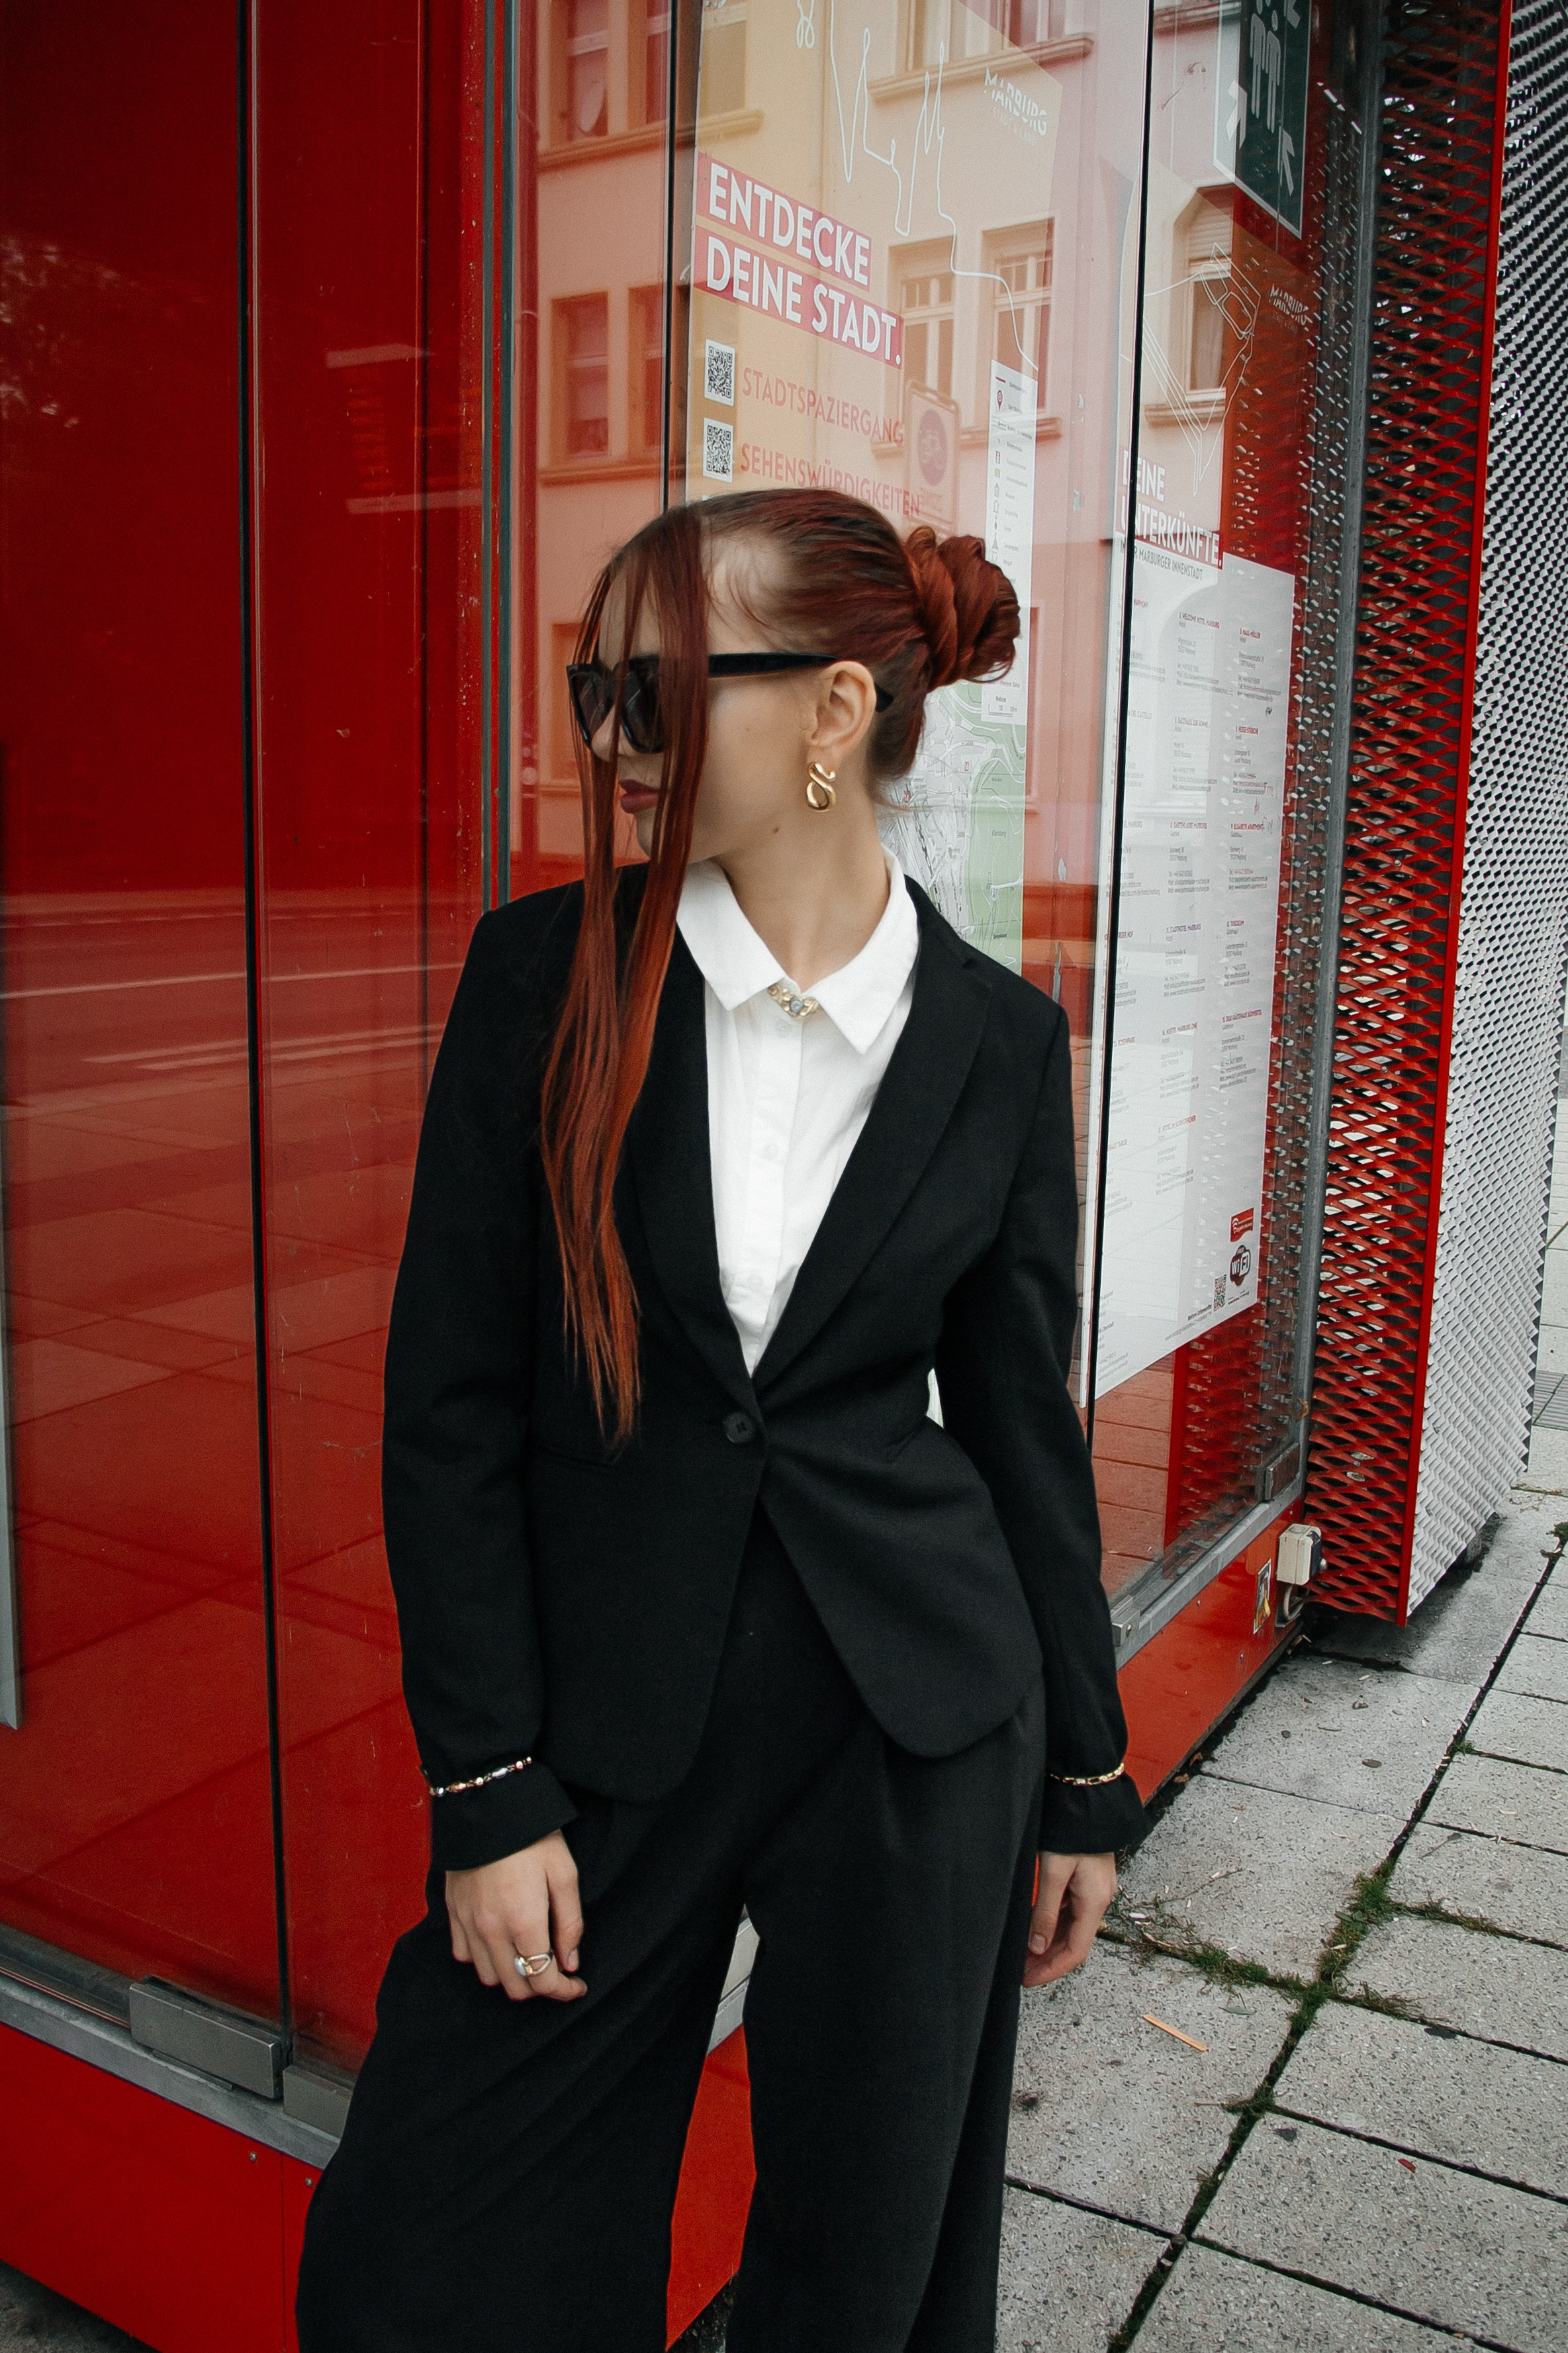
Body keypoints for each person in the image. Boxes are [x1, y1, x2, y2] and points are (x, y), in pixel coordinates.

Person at [295, 487, 1145, 2353]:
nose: (606, 739)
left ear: (833, 714)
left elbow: (1018, 1429)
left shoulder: (996, 1043)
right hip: (607, 1713)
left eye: (652, 692)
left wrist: (1085, 1768)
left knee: (867, 2265)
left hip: (912, 1712)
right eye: (595, 689)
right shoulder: (545, 975)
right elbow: (446, 1409)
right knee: (429, 2257)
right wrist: (486, 1785)